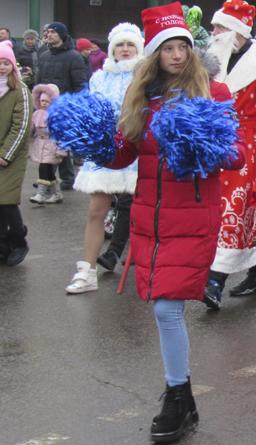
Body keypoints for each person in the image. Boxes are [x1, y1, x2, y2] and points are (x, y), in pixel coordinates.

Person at [106, 3, 246, 441]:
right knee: (163, 307)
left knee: (167, 307)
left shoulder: (214, 91)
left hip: (194, 215)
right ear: (154, 53)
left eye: (183, 46)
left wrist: (201, 143)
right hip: (150, 216)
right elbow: (124, 152)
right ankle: (184, 401)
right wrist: (95, 143)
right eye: (168, 48)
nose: (177, 55)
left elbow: (238, 155)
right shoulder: (141, 95)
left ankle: (176, 396)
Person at [202, 0, 256, 307]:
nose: (213, 33)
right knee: (237, 215)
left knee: (234, 212)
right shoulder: (214, 60)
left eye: (219, 27)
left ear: (235, 31)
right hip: (217, 146)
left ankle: (215, 281)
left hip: (250, 152)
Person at [66, 23, 145, 293]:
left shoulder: (147, 75)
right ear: (112, 49)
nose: (125, 49)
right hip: (106, 150)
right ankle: (87, 272)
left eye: (130, 44)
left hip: (138, 150)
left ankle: (151, 271)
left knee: (143, 215)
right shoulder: (98, 78)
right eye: (120, 45)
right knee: (95, 212)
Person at [36, 22, 87, 190]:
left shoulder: (74, 56)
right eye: (47, 32)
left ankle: (51, 180)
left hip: (65, 107)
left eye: (53, 32)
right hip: (46, 107)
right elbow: (39, 82)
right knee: (53, 144)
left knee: (57, 144)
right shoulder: (44, 56)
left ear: (61, 34)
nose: (49, 35)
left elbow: (80, 84)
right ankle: (59, 178)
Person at [0, 41, 33, 267]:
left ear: (13, 65)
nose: (2, 67)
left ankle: (19, 240)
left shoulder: (20, 90)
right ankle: (3, 244)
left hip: (11, 154)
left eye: (6, 63)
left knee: (7, 200)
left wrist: (5, 154)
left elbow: (21, 126)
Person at [28, 83, 65, 204]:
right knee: (49, 171)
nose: (44, 103)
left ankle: (41, 194)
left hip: (51, 145)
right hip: (40, 144)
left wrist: (60, 150)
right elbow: (31, 128)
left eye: (47, 101)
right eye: (42, 101)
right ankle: (57, 194)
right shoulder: (37, 114)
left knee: (43, 168)